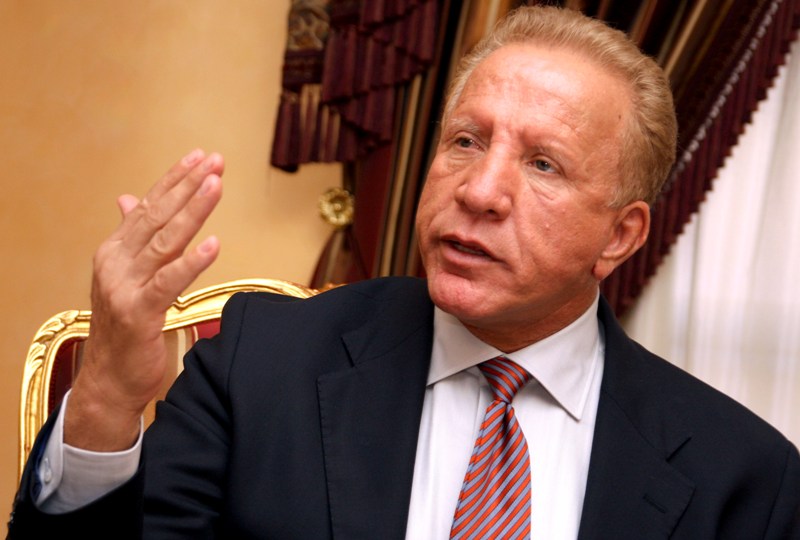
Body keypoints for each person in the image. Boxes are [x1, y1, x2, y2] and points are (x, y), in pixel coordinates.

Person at [8, 5, 800, 539]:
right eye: (465, 141)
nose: (480, 191)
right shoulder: (261, 364)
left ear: (620, 236)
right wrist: (106, 397)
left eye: (543, 164)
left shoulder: (742, 478)